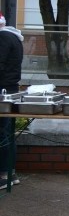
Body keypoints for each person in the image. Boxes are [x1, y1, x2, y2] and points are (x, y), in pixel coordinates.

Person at [0, 13, 24, 188]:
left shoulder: (3, 37)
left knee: (3, 134)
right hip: (10, 89)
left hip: (2, 90)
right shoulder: (14, 37)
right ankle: (9, 172)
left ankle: (3, 174)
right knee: (7, 133)